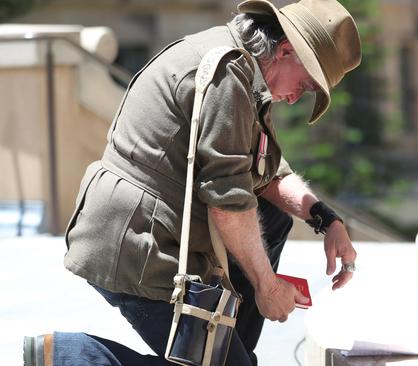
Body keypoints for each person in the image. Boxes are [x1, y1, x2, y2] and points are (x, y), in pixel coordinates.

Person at [23, 0, 361, 365]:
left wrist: (325, 218)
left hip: (151, 235)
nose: (296, 98)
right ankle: (69, 357)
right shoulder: (228, 75)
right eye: (306, 84)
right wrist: (267, 285)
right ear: (286, 50)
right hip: (137, 245)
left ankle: (228, 354)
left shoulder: (243, 71)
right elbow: (227, 200)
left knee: (270, 219)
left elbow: (266, 173)